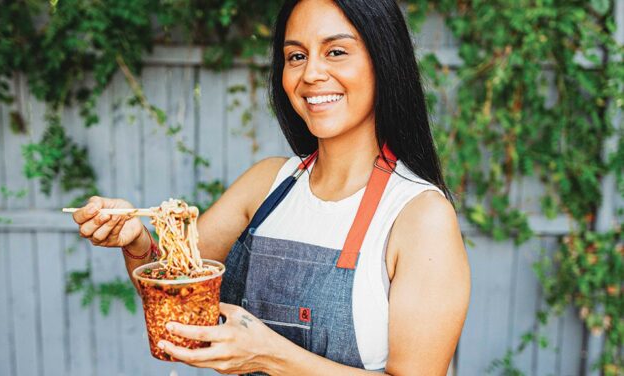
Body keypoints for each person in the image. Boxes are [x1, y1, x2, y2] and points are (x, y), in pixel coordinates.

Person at [71, 0, 470, 374]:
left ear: (383, 60)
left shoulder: (419, 216)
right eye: (296, 56)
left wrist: (271, 355)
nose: (311, 73)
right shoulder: (266, 186)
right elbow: (172, 304)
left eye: (335, 52)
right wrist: (138, 243)